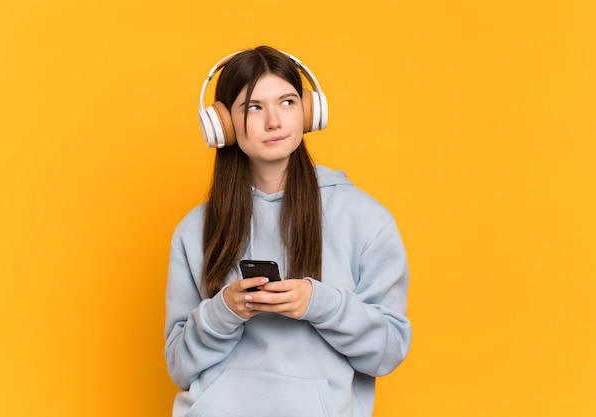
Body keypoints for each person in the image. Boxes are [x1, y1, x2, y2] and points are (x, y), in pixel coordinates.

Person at [164, 45, 411, 417]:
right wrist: (224, 311)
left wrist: (318, 303)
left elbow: (388, 351)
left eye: (288, 102)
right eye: (254, 107)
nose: (275, 121)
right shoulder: (194, 230)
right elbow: (179, 365)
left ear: (309, 111)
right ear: (224, 125)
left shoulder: (366, 220)